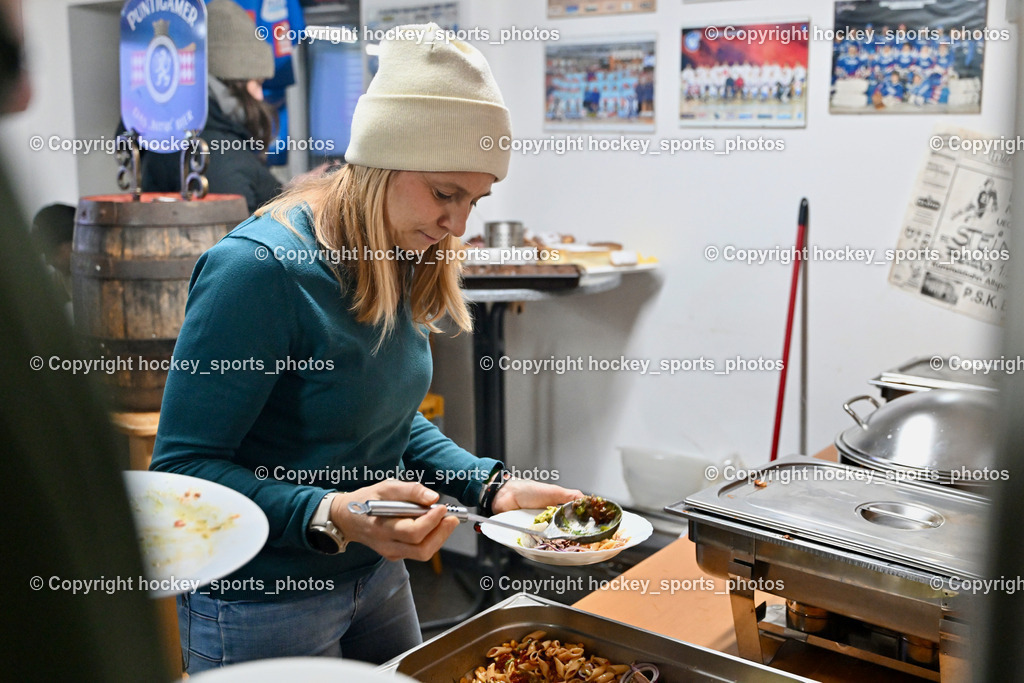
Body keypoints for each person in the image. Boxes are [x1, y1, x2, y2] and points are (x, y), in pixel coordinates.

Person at [150, 23, 581, 674]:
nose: (456, 225)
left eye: (476, 199)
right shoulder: (259, 271)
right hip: (262, 600)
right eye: (445, 193)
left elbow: (383, 409)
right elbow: (184, 473)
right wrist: (330, 513)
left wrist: (490, 486)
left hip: (377, 579)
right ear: (380, 164)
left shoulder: (400, 252)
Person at [141, 0, 281, 213]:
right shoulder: (221, 157)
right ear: (234, 82)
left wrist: (300, 188)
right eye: (258, 83)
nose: (261, 95)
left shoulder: (168, 134)